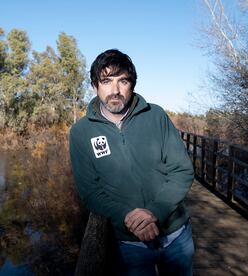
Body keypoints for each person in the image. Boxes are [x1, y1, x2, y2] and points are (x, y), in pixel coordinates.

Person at [69, 49, 195, 275]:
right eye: (106, 81)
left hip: (176, 236)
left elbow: (181, 171)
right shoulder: (81, 132)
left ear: (132, 85)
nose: (115, 90)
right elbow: (90, 192)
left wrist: (154, 211)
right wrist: (128, 219)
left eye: (123, 81)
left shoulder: (156, 116)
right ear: (94, 85)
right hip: (129, 244)